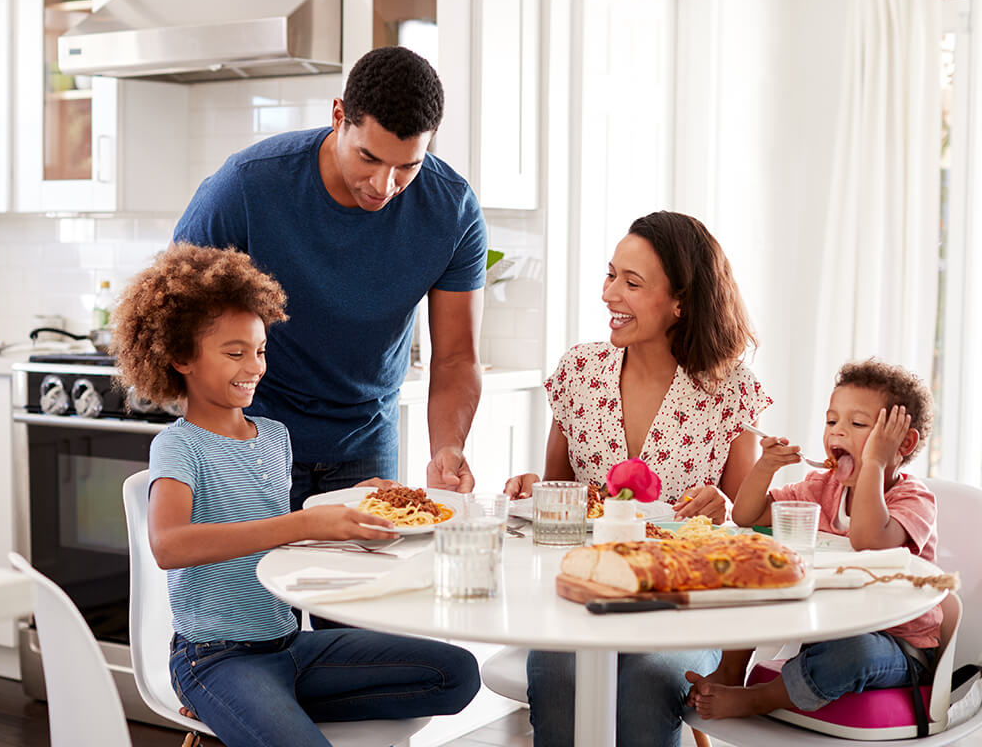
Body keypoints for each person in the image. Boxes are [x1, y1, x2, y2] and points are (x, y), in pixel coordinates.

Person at [110, 243, 480, 746]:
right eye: (234, 353)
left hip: (291, 648)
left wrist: (359, 499)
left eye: (260, 350)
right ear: (180, 357)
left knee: (457, 673)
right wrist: (304, 523)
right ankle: (229, 700)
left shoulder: (275, 437)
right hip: (215, 656)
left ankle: (264, 707)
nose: (254, 366)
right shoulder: (178, 445)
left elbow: (276, 542)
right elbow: (169, 545)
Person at [173, 46, 487, 510]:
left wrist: (448, 447)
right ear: (338, 116)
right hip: (250, 431)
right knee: (252, 580)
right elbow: (177, 316)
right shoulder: (246, 186)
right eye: (369, 158)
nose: (385, 186)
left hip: (365, 441)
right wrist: (219, 445)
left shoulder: (451, 211)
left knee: (363, 582)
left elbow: (457, 359)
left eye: (407, 166)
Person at [504, 211, 771, 747]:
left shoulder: (730, 389)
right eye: (610, 276)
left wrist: (724, 504)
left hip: (686, 608)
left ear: (681, 302)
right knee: (558, 676)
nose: (609, 295)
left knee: (648, 684)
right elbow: (558, 507)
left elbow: (751, 530)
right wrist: (537, 489)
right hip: (587, 597)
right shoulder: (578, 373)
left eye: (632, 282)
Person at [687, 358, 938, 720]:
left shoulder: (913, 500)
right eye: (832, 420)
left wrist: (875, 464)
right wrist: (766, 465)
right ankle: (730, 671)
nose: (837, 432)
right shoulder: (823, 486)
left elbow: (868, 539)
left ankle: (760, 698)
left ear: (904, 444)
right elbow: (746, 515)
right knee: (756, 578)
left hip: (896, 648)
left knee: (856, 654)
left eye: (858, 424)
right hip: (828, 627)